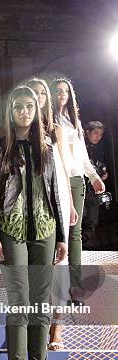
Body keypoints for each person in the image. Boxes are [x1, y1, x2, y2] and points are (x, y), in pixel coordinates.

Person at [0, 85, 66, 360]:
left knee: (41, 305)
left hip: (45, 230)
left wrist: (62, 235)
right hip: (10, 231)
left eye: (29, 106)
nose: (24, 111)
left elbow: (56, 193)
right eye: (18, 106)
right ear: (10, 111)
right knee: (20, 303)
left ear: (36, 111)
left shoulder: (47, 147)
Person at [26, 78, 75, 351]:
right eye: (33, 92)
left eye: (42, 92)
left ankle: (57, 330)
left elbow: (64, 167)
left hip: (57, 197)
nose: (38, 96)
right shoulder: (19, 128)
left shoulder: (55, 129)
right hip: (30, 202)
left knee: (59, 264)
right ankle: (35, 327)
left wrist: (69, 204)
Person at [51, 78, 104, 305]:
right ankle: (54, 287)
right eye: (58, 90)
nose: (62, 94)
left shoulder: (74, 121)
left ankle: (74, 286)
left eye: (66, 91)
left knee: (75, 233)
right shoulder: (47, 118)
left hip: (75, 179)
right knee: (56, 232)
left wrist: (93, 177)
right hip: (54, 179)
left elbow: (82, 155)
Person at [82, 121, 109, 249]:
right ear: (87, 132)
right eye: (95, 133)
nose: (98, 136)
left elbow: (101, 166)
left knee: (92, 219)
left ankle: (88, 246)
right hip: (80, 187)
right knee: (81, 217)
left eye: (101, 134)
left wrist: (103, 174)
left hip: (93, 190)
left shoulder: (100, 149)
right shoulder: (80, 147)